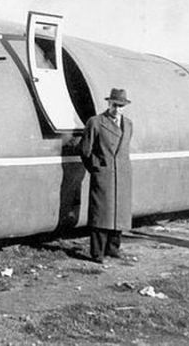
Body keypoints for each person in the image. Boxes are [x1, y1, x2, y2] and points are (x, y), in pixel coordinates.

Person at [79, 88, 134, 264]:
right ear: (108, 103)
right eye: (114, 105)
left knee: (119, 213)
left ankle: (113, 249)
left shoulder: (129, 124)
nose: (117, 109)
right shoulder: (95, 122)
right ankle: (97, 253)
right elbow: (84, 150)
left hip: (122, 175)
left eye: (121, 106)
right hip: (104, 175)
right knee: (101, 214)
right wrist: (96, 168)